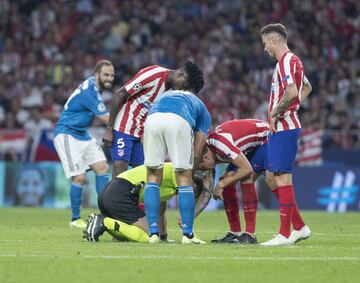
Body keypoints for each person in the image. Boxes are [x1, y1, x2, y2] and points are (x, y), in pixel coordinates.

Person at [143, 66, 211, 244]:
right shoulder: (200, 105)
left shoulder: (162, 96)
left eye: (181, 73)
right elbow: (198, 148)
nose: (176, 73)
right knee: (183, 179)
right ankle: (187, 235)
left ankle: (153, 234)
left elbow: (145, 132)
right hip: (179, 120)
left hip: (152, 120)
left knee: (152, 177)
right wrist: (191, 170)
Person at [103, 61, 204, 178]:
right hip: (123, 128)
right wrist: (109, 129)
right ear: (180, 74)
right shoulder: (153, 74)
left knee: (142, 175)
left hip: (141, 135)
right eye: (184, 86)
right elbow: (120, 94)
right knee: (120, 171)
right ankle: (112, 196)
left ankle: (128, 196)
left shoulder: (172, 92)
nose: (182, 90)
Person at [259, 23, 312, 246]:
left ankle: (284, 233)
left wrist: (276, 112)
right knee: (271, 177)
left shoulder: (286, 61)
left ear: (274, 40)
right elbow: (306, 87)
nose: (264, 49)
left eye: (265, 44)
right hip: (284, 126)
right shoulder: (293, 62)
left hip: (284, 127)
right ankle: (299, 227)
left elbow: (292, 92)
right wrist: (293, 108)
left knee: (281, 178)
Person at [83, 163, 214, 243]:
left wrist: (164, 236)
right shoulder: (180, 173)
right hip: (120, 193)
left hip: (111, 192)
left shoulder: (170, 180)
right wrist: (185, 218)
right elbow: (183, 201)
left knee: (128, 236)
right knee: (149, 235)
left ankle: (101, 224)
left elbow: (160, 209)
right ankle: (104, 222)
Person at [54, 60, 114, 228]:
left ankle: (106, 214)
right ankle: (75, 219)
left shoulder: (93, 87)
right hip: (66, 133)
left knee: (102, 168)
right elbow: (105, 119)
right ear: (97, 75)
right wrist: (127, 122)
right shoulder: (90, 92)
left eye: (111, 75)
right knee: (79, 177)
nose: (109, 78)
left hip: (82, 133)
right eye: (106, 75)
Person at [200, 119, 268, 244]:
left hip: (264, 138)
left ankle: (250, 234)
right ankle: (235, 232)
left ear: (206, 156)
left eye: (202, 165)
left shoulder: (220, 144)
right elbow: (207, 191)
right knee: (226, 181)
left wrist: (221, 185)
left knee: (247, 178)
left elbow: (246, 169)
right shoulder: (210, 149)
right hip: (247, 148)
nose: (203, 168)